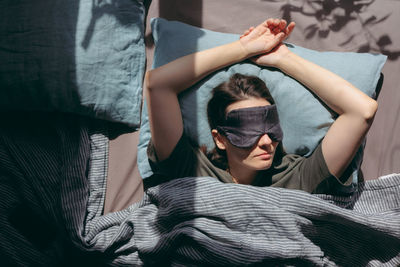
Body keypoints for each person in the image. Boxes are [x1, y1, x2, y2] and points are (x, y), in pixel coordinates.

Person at [144, 18, 377, 193]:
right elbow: (157, 84)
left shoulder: (300, 177)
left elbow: (363, 111)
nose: (267, 142)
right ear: (220, 139)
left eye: (270, 129)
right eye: (249, 130)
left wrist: (283, 58)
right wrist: (243, 49)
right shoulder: (190, 168)